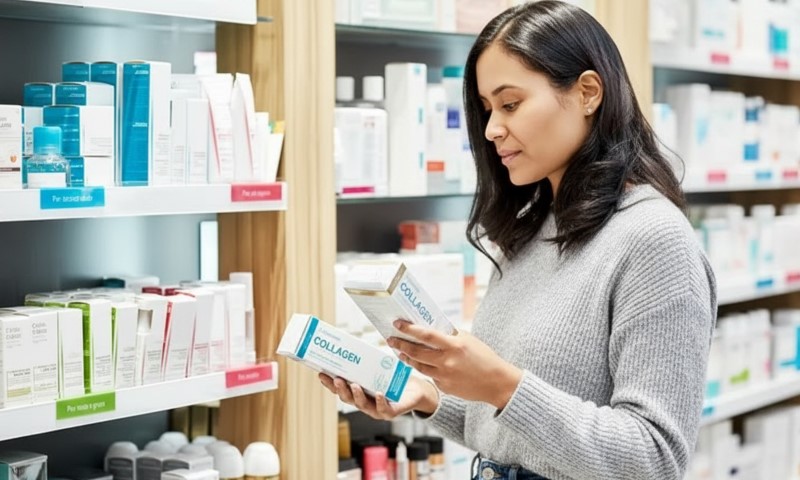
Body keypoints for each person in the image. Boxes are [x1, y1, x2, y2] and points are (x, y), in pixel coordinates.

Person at [320, 1, 717, 479]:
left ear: (588, 92)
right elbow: (509, 428)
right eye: (487, 110)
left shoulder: (654, 240)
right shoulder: (532, 228)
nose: (491, 130)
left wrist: (503, 385)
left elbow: (654, 458)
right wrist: (426, 396)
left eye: (510, 104)